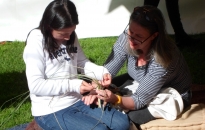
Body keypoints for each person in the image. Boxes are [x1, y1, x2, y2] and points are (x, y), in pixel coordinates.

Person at [23, 0, 130, 130]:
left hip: (77, 100)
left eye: (71, 32)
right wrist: (75, 85)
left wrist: (101, 72)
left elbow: (82, 63)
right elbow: (36, 85)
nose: (68, 38)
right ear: (49, 26)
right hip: (50, 109)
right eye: (63, 34)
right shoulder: (36, 40)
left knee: (122, 123)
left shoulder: (71, 36)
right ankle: (40, 124)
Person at [82, 5, 192, 129]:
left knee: (123, 118)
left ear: (154, 36)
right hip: (139, 83)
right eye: (130, 32)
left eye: (138, 37)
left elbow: (138, 100)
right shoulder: (127, 37)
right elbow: (108, 70)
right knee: (86, 92)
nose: (131, 39)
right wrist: (98, 85)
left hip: (168, 94)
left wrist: (115, 99)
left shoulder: (164, 58)